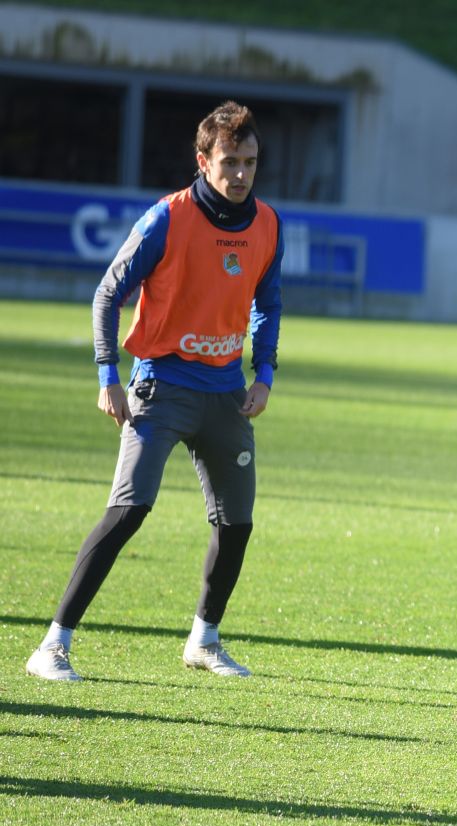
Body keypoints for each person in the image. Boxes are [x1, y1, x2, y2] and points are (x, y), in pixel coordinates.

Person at [24, 101, 283, 682]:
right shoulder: (168, 217)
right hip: (160, 387)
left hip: (225, 394)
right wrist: (106, 375)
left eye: (250, 162)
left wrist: (263, 374)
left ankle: (204, 640)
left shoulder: (268, 224)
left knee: (236, 522)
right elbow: (107, 294)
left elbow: (268, 302)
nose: (240, 174)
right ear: (203, 160)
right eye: (229, 161)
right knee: (129, 510)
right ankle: (52, 645)